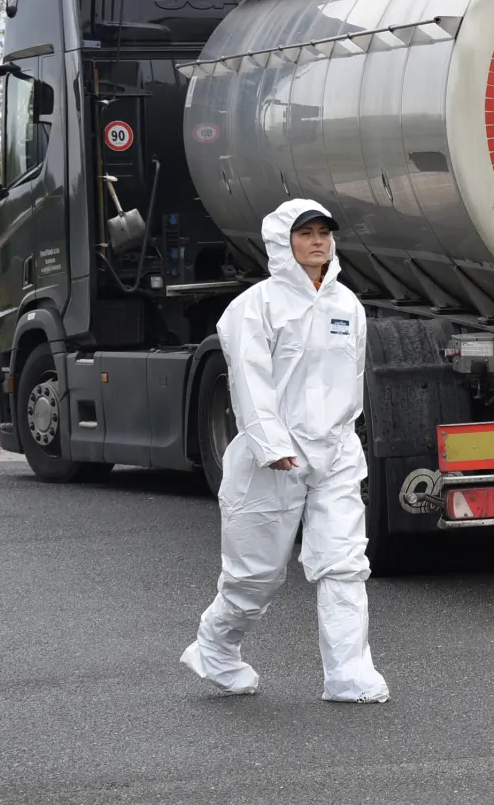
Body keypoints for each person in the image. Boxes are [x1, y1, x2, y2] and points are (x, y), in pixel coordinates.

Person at [180, 198, 389, 702]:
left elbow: (351, 381)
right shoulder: (255, 307)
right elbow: (249, 383)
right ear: (282, 242)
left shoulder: (348, 307)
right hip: (269, 460)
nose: (318, 241)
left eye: (324, 233)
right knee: (256, 577)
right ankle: (215, 647)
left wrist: (346, 441)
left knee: (344, 563)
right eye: (306, 233)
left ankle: (348, 674)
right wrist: (271, 445)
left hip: (335, 453)